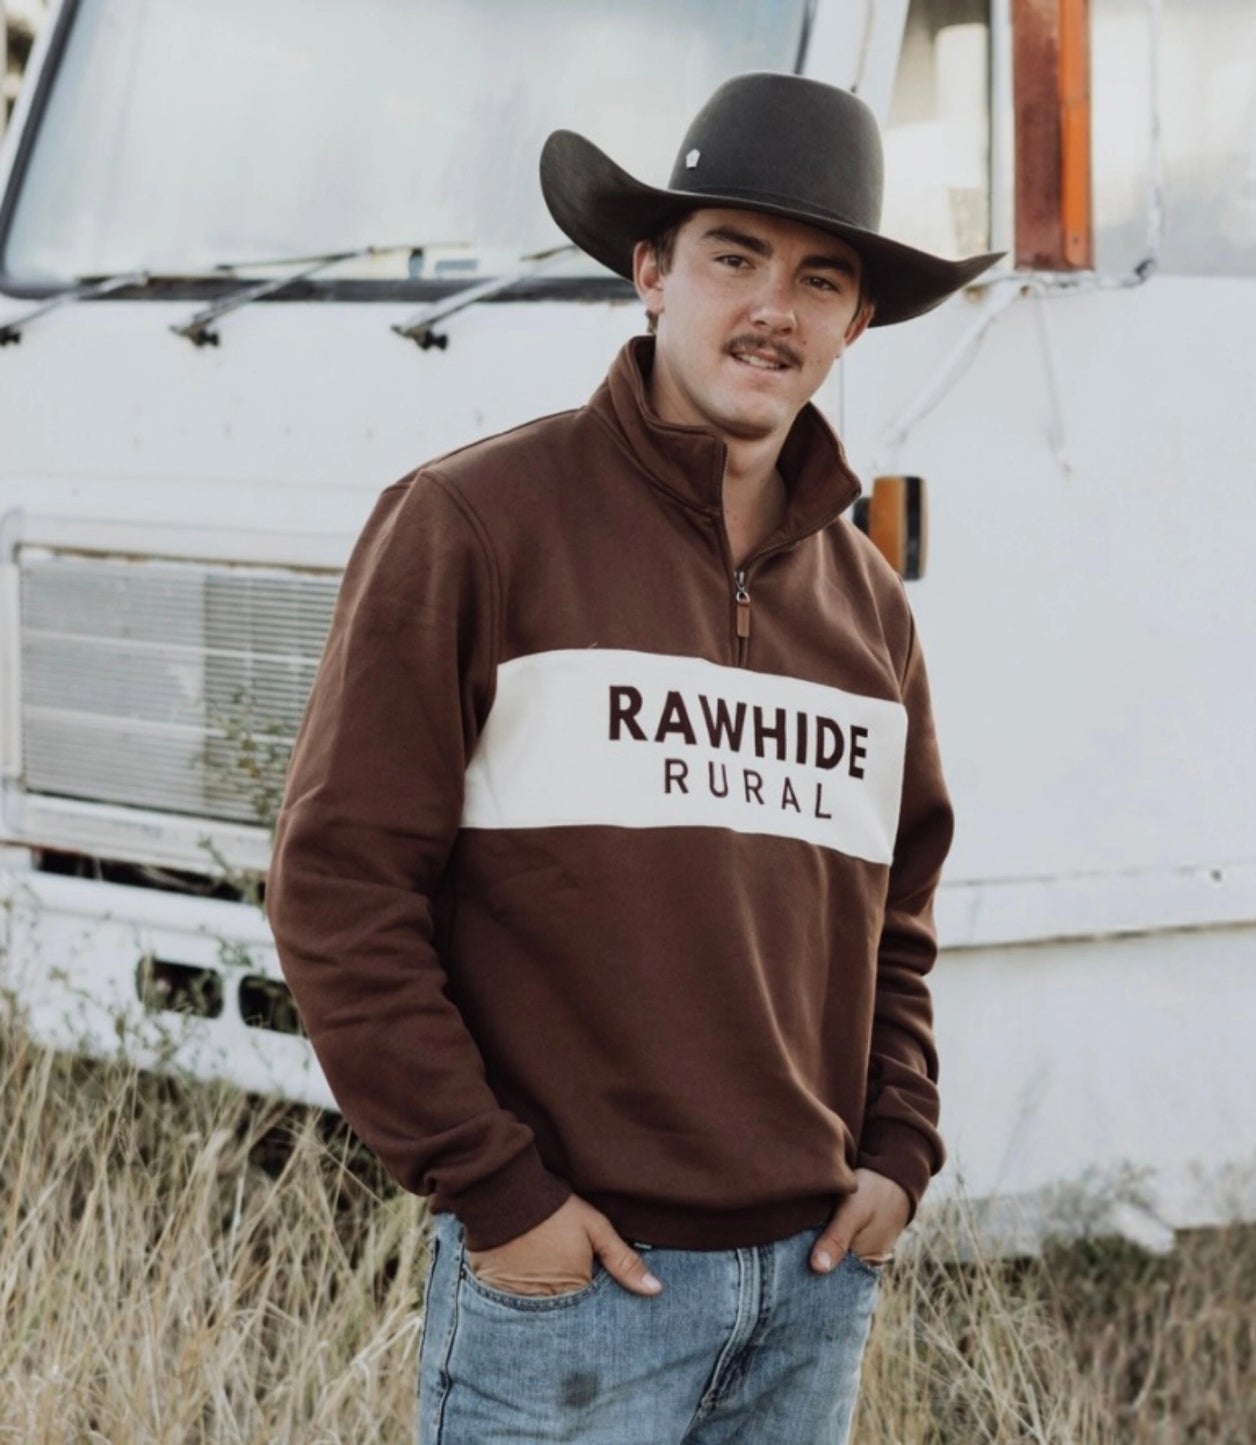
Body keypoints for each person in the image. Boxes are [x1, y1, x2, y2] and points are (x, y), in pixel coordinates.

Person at [265, 71, 1000, 1445]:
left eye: (820, 277)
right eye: (734, 257)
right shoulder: (474, 525)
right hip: (576, 1288)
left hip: (812, 1286)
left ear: (853, 322)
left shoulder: (867, 608)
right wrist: (501, 1194)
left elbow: (895, 924)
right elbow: (338, 892)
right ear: (651, 272)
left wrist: (899, 1153)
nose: (772, 308)